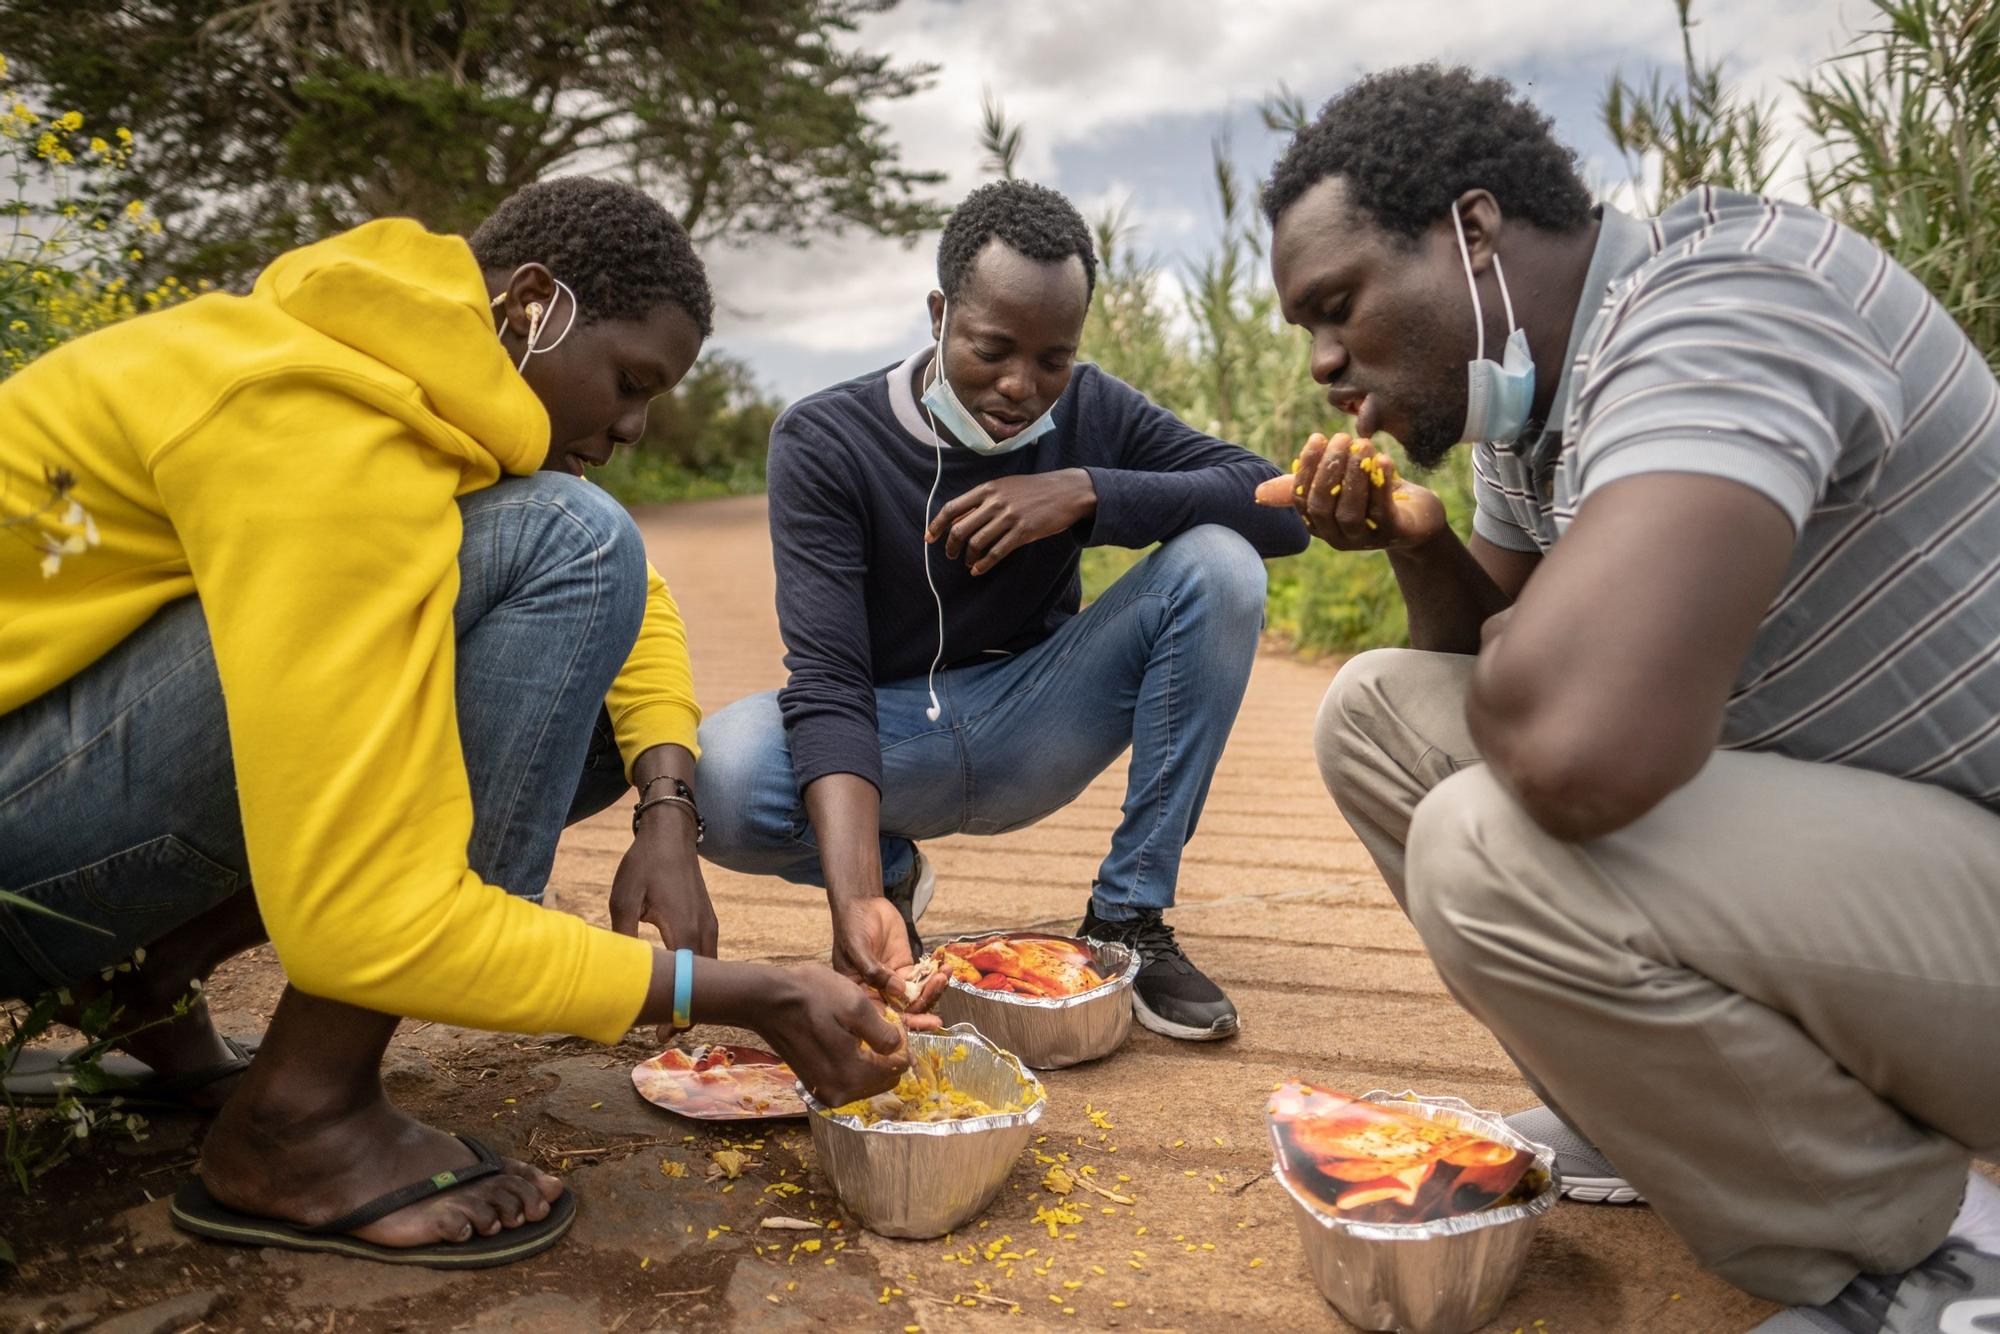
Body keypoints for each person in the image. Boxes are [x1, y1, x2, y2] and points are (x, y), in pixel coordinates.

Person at [0, 177, 911, 1267]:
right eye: (629, 381)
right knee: (571, 544)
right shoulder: (311, 424)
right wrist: (739, 991)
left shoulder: (403, 379)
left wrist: (666, 809)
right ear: (532, 304)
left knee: (583, 632)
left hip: (44, 794)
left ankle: (141, 982)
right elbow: (363, 921)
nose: (631, 426)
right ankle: (302, 1121)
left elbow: (640, 604)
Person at [1262, 64, 2000, 1330]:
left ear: (1473, 228)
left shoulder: (1723, 302)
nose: (1326, 360)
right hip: (1886, 865)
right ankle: (1667, 1121)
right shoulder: (1527, 405)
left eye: (1338, 305)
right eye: (1304, 332)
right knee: (1375, 712)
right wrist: (1415, 542)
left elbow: (1569, 742)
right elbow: (1481, 659)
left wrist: (1544, 644)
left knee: (1484, 840)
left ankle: (1915, 1258)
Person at [694, 180, 1308, 1041]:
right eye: (992, 348)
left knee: (1222, 563)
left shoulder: (1092, 412)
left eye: (1053, 359)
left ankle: (1126, 921)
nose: (1023, 386)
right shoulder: (827, 440)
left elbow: (1281, 506)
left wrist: (1084, 491)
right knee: (716, 772)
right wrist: (858, 891)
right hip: (892, 736)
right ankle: (897, 882)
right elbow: (829, 682)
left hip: (1037, 720)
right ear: (940, 313)